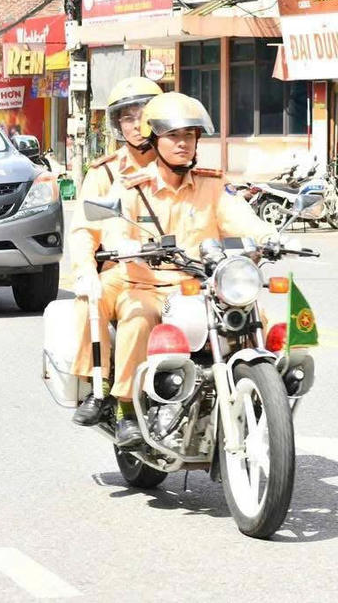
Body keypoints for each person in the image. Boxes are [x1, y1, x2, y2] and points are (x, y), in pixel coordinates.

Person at [72, 91, 277, 447]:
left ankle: (269, 389)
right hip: (145, 284)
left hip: (198, 285)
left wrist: (269, 237)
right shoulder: (131, 186)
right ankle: (124, 407)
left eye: (189, 136)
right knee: (136, 318)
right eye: (173, 136)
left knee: (255, 316)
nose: (183, 144)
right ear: (155, 140)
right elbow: (112, 227)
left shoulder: (212, 186)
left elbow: (241, 218)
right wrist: (125, 246)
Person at [68, 77, 163, 426]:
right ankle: (100, 386)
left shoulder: (178, 162)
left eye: (144, 116)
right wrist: (85, 270)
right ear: (117, 125)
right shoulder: (105, 172)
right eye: (127, 118)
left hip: (175, 270)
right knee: (89, 301)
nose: (137, 125)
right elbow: (84, 228)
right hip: (122, 270)